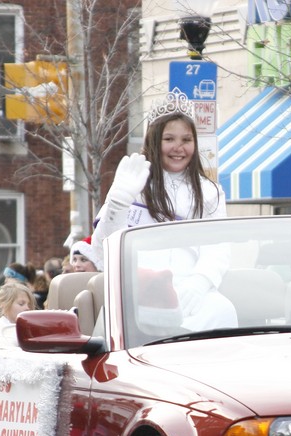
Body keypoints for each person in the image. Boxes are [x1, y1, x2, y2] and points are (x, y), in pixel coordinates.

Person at [91, 89, 235, 331]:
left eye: (186, 140)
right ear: (154, 140)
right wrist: (118, 202)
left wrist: (200, 282)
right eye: (169, 139)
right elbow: (102, 248)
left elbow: (218, 246)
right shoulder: (133, 181)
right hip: (137, 291)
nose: (178, 147)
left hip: (191, 293)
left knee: (224, 311)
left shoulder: (210, 191)